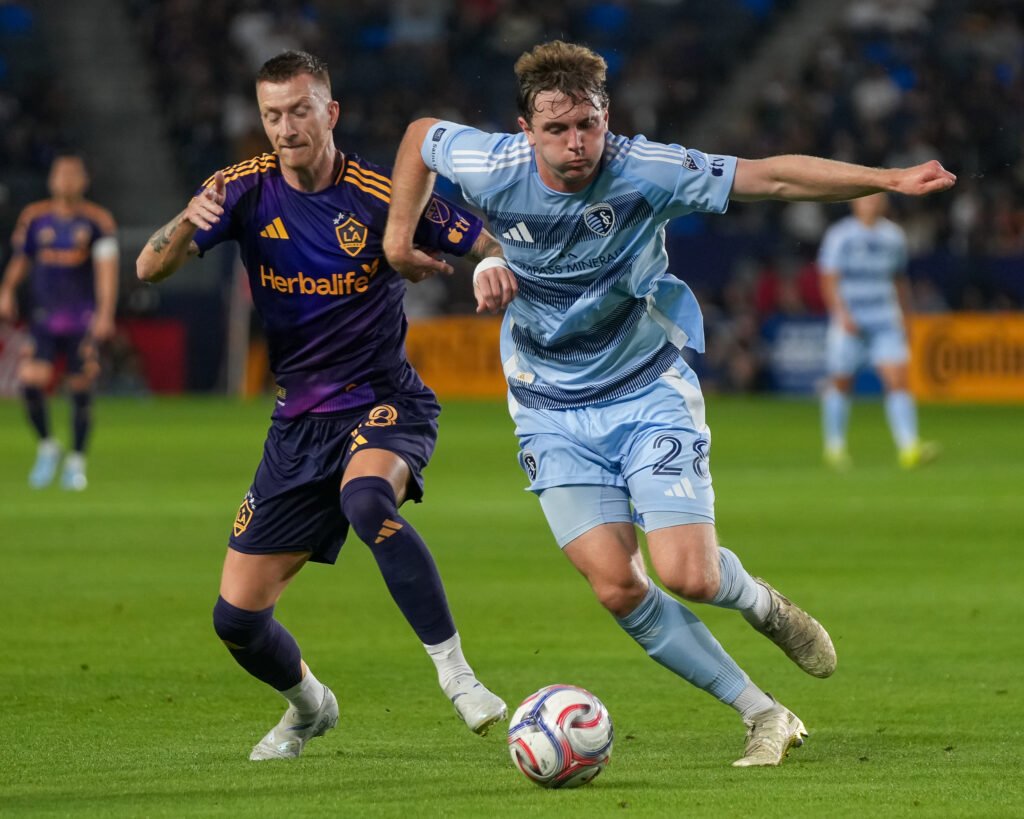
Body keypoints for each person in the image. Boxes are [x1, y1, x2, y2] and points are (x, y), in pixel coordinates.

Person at [383, 40, 956, 767]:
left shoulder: (644, 168)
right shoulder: (489, 164)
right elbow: (417, 138)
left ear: (607, 116)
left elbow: (771, 178)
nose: (576, 142)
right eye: (556, 129)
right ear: (525, 130)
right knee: (618, 586)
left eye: (588, 124)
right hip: (548, 404)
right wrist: (400, 239)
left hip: (645, 388)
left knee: (688, 572)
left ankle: (762, 604)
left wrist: (891, 180)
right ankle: (765, 712)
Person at [135, 50, 506, 762]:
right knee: (236, 618)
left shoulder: (378, 192)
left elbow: (479, 237)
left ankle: (457, 674)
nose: (285, 127)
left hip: (384, 400)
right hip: (298, 423)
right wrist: (186, 220)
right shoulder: (241, 189)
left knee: (368, 500)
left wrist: (488, 263)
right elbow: (151, 267)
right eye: (271, 115)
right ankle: (309, 706)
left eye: (299, 111)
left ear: (328, 113)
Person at [0, 153, 119, 491]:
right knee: (30, 381)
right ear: (52, 180)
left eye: (73, 174)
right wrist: (7, 289)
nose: (66, 180)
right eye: (60, 174)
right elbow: (21, 259)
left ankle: (76, 462)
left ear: (84, 181)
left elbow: (106, 271)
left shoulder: (98, 221)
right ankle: (48, 446)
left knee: (80, 388)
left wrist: (105, 313)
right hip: (44, 317)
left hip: (82, 318)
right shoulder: (35, 218)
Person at [818, 193, 938, 469]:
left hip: (885, 318)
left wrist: (907, 317)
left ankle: (909, 447)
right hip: (851, 320)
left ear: (884, 203)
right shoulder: (840, 236)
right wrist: (841, 313)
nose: (870, 203)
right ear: (854, 202)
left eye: (876, 198)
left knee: (898, 380)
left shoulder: (893, 236)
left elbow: (898, 279)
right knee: (841, 382)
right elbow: (828, 279)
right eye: (865, 198)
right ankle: (834, 447)